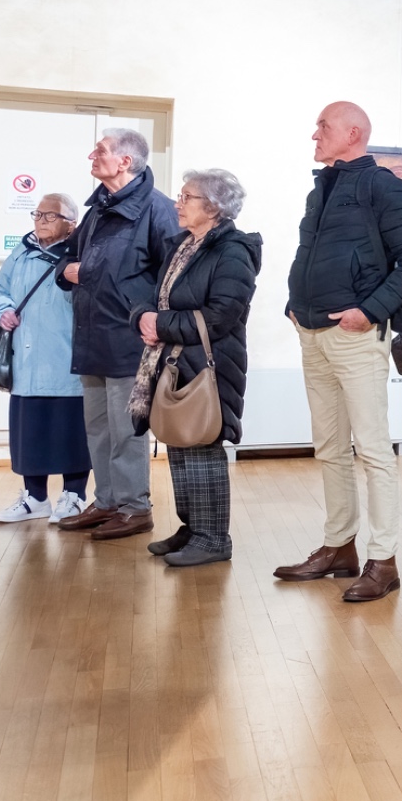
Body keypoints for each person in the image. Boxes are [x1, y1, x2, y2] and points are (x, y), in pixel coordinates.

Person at [273, 101, 402, 602]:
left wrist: (369, 311)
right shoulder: (320, 189)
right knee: (329, 448)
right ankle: (338, 547)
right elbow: (312, 255)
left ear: (353, 133)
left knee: (373, 450)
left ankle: (383, 560)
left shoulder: (383, 187)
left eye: (322, 126)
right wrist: (294, 304)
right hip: (312, 332)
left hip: (355, 337)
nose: (314, 134)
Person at [129, 170, 261, 567]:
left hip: (211, 366)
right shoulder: (184, 245)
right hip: (176, 360)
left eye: (187, 197)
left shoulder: (233, 252)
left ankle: (213, 538)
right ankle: (193, 528)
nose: (178, 204)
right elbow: (157, 299)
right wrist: (143, 317)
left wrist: (161, 324)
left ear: (214, 207)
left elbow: (221, 315)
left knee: (202, 447)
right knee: (180, 445)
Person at [55, 129, 180, 541]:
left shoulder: (158, 210)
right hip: (91, 335)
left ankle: (134, 507)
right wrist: (67, 271)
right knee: (98, 427)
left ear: (125, 161)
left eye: (101, 150)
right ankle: (107, 501)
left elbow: (173, 275)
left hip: (131, 339)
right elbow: (68, 258)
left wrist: (157, 322)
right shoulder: (97, 209)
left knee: (126, 429)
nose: (92, 156)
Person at [0, 194, 92, 525]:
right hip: (26, 362)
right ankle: (35, 499)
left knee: (71, 433)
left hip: (67, 360)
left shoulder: (80, 254)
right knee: (29, 433)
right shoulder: (20, 252)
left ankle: (74, 496)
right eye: (38, 214)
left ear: (71, 224)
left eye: (50, 215)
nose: (41, 220)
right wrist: (2, 310)